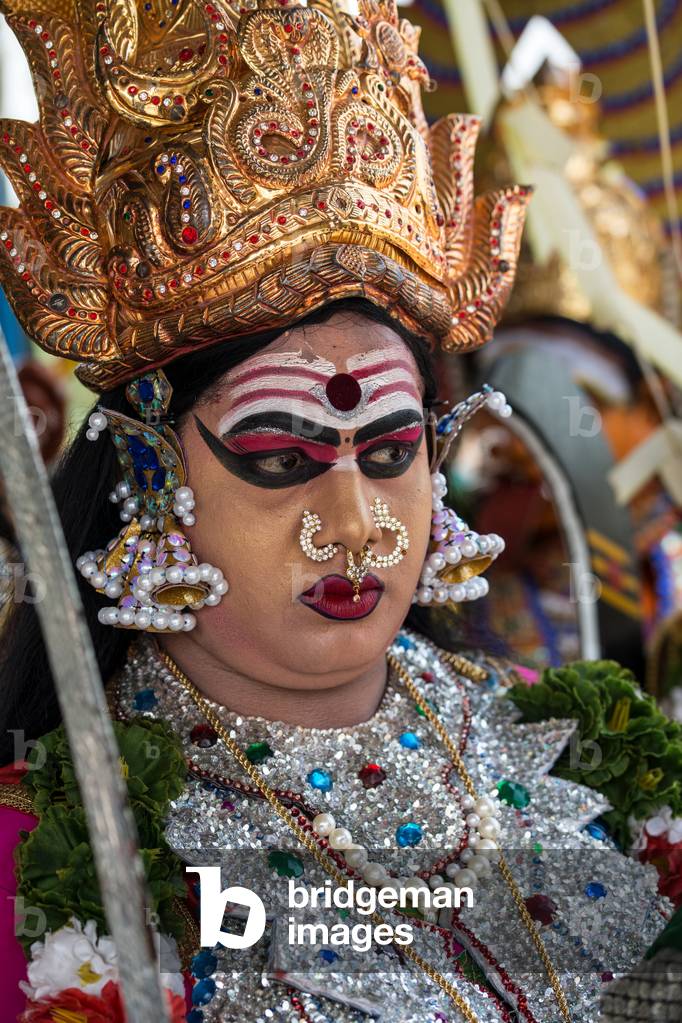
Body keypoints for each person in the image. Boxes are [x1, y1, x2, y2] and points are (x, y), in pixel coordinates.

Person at [0, 1, 674, 1021]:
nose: (356, 523)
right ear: (147, 469)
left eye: (395, 450)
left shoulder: (561, 740)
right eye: (282, 455)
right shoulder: (45, 848)